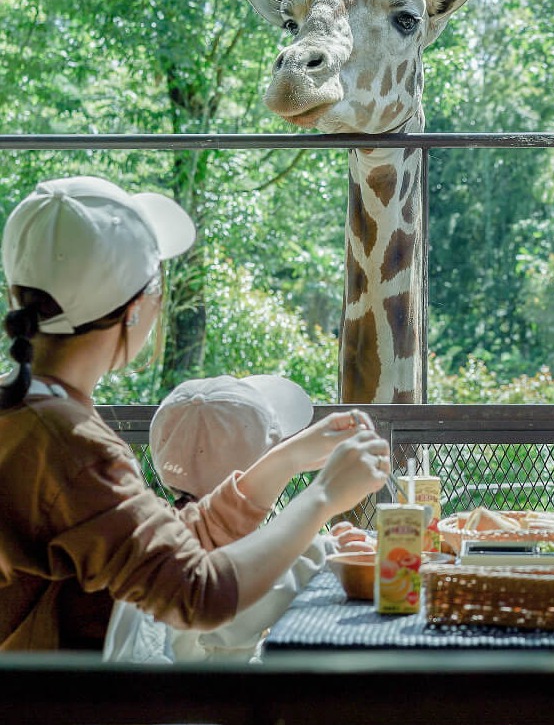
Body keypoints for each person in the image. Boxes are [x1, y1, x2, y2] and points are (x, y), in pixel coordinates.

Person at [0, 175, 391, 652]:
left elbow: (164, 546)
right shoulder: (70, 444)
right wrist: (325, 495)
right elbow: (198, 593)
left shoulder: (29, 416)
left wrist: (284, 460)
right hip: (63, 718)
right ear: (136, 311)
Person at [78, 373, 378, 725]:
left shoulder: (154, 531)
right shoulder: (198, 561)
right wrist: (326, 548)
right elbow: (243, 598)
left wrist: (323, 544)